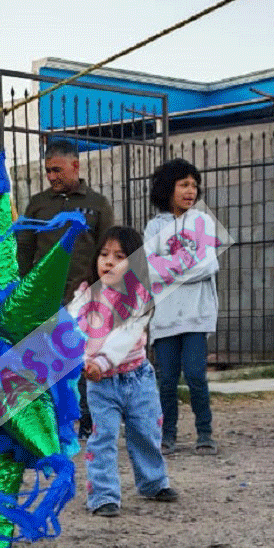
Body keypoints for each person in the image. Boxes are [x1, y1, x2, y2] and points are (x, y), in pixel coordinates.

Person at [68, 226, 176, 517]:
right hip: (100, 383)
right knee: (101, 438)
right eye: (104, 255)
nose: (109, 261)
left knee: (146, 431)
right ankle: (103, 496)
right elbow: (69, 331)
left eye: (119, 256)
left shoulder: (140, 298)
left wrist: (100, 362)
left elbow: (124, 338)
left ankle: (153, 482)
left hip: (137, 377)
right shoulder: (85, 296)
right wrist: (80, 360)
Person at [17, 138, 114, 438]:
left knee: (83, 363)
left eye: (57, 170)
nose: (52, 177)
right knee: (44, 364)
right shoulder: (38, 204)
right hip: (44, 300)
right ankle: (48, 426)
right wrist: (24, 292)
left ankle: (88, 423)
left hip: (84, 300)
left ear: (75, 165)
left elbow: (106, 250)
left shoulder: (98, 205)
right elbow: (24, 250)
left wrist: (99, 296)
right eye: (48, 171)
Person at [145, 159, 219, 453]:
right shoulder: (154, 227)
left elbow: (208, 265)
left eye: (194, 184)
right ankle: (168, 435)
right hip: (164, 317)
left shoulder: (203, 222)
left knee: (196, 375)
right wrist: (185, 265)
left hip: (197, 314)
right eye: (183, 184)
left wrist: (169, 269)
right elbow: (148, 270)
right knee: (166, 380)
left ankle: (205, 433)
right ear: (168, 188)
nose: (191, 190)